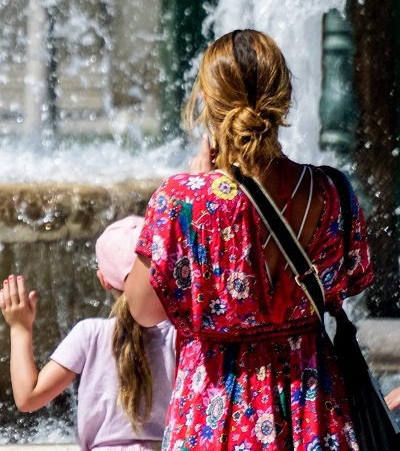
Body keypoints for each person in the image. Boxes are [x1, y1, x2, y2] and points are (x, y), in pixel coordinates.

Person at [124, 29, 375, 450]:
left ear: (208, 102)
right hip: (314, 409)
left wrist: (200, 192)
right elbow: (351, 279)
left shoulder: (183, 200)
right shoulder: (334, 191)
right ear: (285, 95)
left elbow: (144, 310)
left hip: (215, 412)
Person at [0, 215, 177, 451]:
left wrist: (20, 328)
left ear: (103, 279)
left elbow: (28, 398)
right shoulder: (180, 336)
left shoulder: (89, 334)